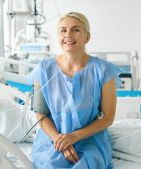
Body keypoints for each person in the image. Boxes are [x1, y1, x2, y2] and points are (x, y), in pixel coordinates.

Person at [26, 11, 121, 169]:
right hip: (53, 139)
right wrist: (60, 140)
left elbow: (107, 118)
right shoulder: (44, 70)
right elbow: (41, 114)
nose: (68, 35)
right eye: (63, 30)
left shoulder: (103, 71)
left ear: (87, 37)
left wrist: (74, 137)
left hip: (90, 139)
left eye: (76, 29)